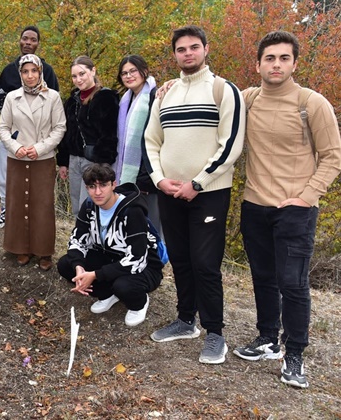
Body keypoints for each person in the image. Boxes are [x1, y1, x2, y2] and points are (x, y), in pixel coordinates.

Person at [232, 31, 341, 388]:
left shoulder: (312, 103)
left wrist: (307, 196)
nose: (276, 64)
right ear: (258, 63)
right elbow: (212, 94)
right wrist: (168, 85)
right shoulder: (248, 99)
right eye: (269, 58)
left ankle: (294, 353)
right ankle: (267, 339)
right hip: (255, 206)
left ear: (295, 63)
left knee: (293, 284)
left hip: (295, 209)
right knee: (263, 278)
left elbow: (332, 157)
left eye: (283, 58)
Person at [143, 25, 245, 364]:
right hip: (170, 191)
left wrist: (197, 183)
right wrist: (159, 180)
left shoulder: (223, 90)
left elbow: (230, 145)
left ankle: (214, 332)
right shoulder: (166, 94)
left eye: (194, 47)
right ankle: (186, 320)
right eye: (181, 49)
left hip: (209, 193)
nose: (188, 53)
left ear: (206, 49)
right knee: (181, 258)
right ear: (174, 54)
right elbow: (151, 141)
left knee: (205, 263)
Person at [57, 164, 163, 326]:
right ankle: (107, 294)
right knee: (66, 264)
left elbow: (137, 258)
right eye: (92, 187)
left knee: (124, 286)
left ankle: (138, 303)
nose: (97, 192)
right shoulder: (89, 206)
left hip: (144, 265)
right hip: (109, 257)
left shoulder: (132, 211)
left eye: (103, 185)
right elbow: (78, 240)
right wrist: (79, 267)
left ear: (114, 185)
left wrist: (95, 275)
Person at [0, 54, 65, 270]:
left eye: (33, 71)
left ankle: (43, 251)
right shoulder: (12, 97)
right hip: (17, 158)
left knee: (42, 205)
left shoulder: (53, 97)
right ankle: (20, 248)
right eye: (25, 71)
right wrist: (16, 148)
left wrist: (39, 148)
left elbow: (59, 128)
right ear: (20, 74)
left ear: (40, 72)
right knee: (17, 203)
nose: (30, 75)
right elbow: (3, 128)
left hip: (42, 159)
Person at [0, 25, 60, 228]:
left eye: (33, 39)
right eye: (25, 39)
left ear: (38, 44)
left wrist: (42, 138)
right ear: (19, 41)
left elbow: (54, 104)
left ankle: (35, 218)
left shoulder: (47, 70)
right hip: (13, 135)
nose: (28, 42)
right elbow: (1, 102)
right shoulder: (9, 71)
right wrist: (13, 131)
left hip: (41, 140)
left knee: (37, 184)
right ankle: (6, 211)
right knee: (6, 175)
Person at [57, 56, 119, 219]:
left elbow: (109, 134)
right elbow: (66, 131)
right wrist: (63, 161)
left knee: (91, 205)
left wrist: (102, 163)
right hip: (74, 160)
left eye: (82, 74)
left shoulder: (105, 97)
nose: (78, 79)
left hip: (94, 161)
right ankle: (80, 239)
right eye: (74, 76)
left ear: (93, 71)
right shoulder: (73, 100)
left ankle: (96, 242)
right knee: (77, 206)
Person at [115, 55, 162, 233]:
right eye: (124, 73)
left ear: (144, 70)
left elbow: (157, 139)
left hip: (147, 176)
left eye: (133, 71)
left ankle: (155, 261)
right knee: (133, 226)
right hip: (128, 177)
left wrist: (146, 176)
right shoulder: (125, 100)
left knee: (151, 226)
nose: (128, 76)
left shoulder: (154, 96)